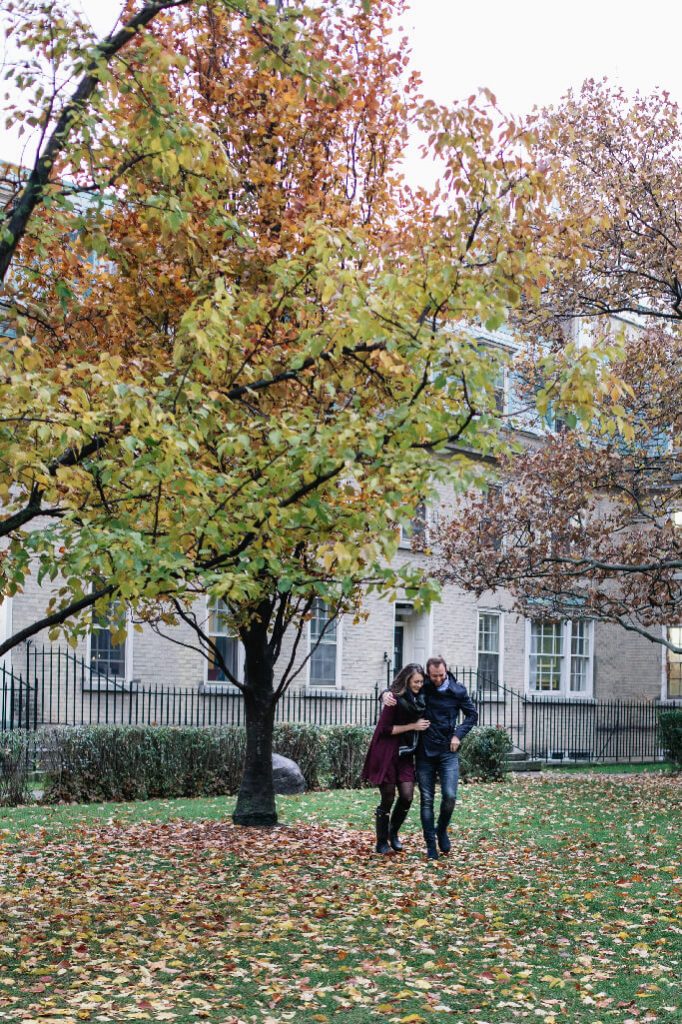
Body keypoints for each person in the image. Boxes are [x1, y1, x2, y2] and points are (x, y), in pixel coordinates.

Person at [382, 655, 477, 860]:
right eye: (433, 676)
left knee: (450, 796)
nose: (437, 679)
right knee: (427, 800)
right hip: (424, 752)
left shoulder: (458, 690)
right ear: (428, 673)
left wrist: (458, 735)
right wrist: (384, 694)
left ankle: (441, 829)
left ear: (446, 670)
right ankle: (430, 845)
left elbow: (472, 715)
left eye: (441, 675)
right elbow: (400, 687)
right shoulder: (423, 685)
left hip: (448, 752)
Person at [361, 663, 431, 855]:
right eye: (415, 681)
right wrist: (412, 726)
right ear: (407, 680)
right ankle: (381, 842)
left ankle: (393, 832)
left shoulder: (421, 699)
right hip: (387, 753)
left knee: (407, 796)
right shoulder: (394, 699)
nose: (418, 685)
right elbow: (384, 729)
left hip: (406, 754)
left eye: (421, 682)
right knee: (388, 797)